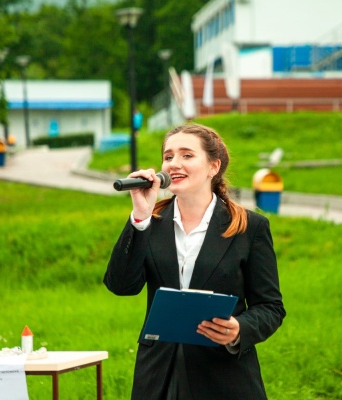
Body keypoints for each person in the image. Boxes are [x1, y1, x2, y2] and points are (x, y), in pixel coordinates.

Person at [104, 123, 286, 400]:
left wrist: (239, 329)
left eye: (187, 155)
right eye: (168, 156)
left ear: (214, 166)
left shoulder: (250, 227)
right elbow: (121, 286)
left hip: (223, 377)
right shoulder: (150, 222)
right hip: (158, 377)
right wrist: (140, 217)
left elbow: (271, 307)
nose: (174, 163)